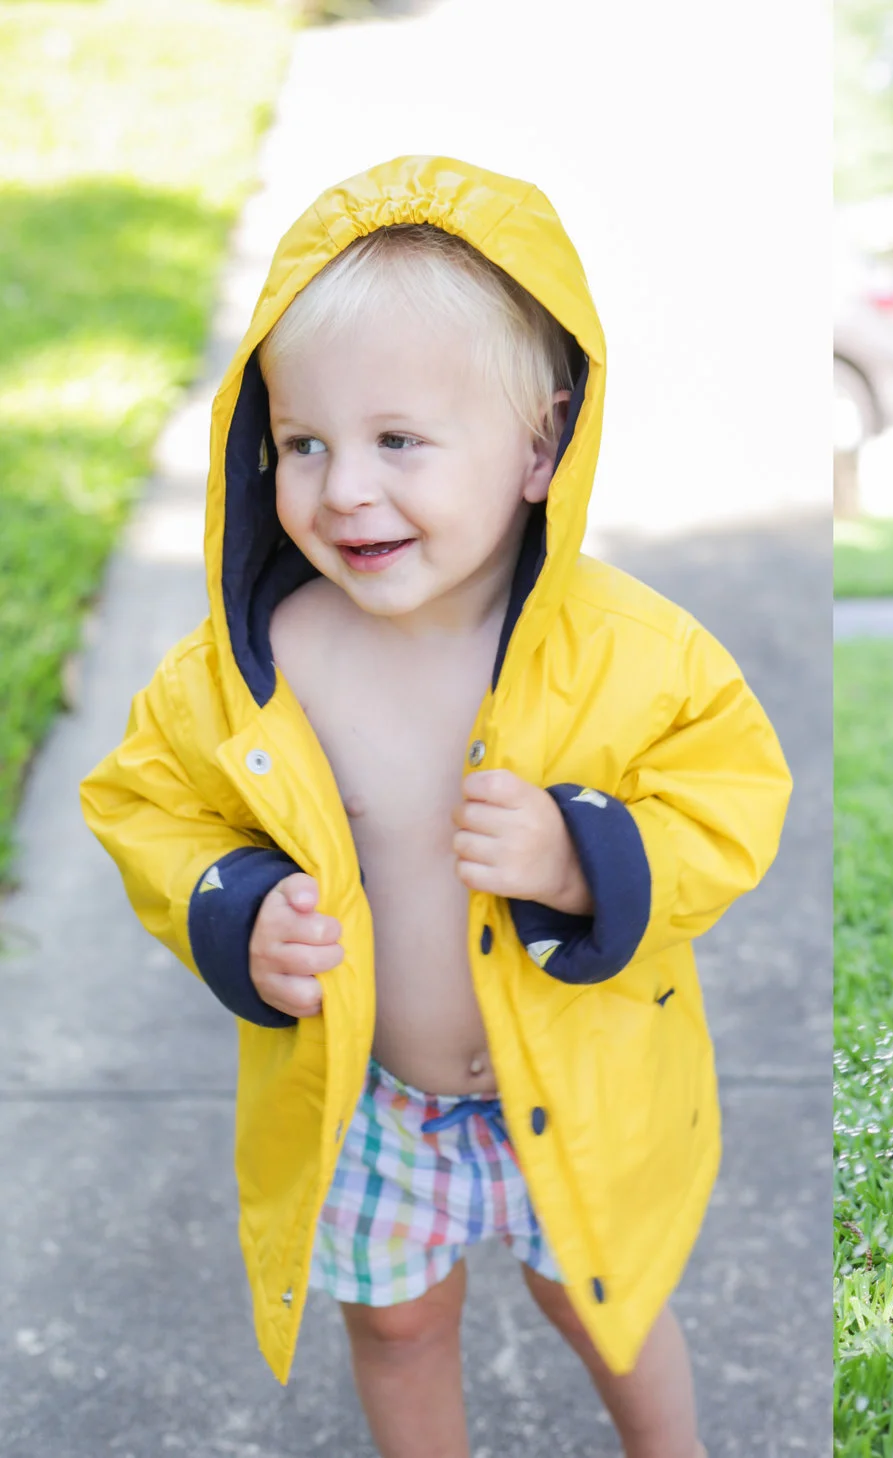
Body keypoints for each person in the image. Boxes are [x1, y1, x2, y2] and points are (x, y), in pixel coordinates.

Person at [81, 157, 790, 1457]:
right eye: (305, 442)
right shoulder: (254, 667)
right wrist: (230, 910)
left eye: (399, 439)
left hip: (571, 1075)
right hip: (370, 1093)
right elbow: (146, 801)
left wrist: (587, 858)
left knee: (602, 1301)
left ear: (541, 448)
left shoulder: (634, 654)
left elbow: (731, 793)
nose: (344, 486)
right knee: (396, 1323)